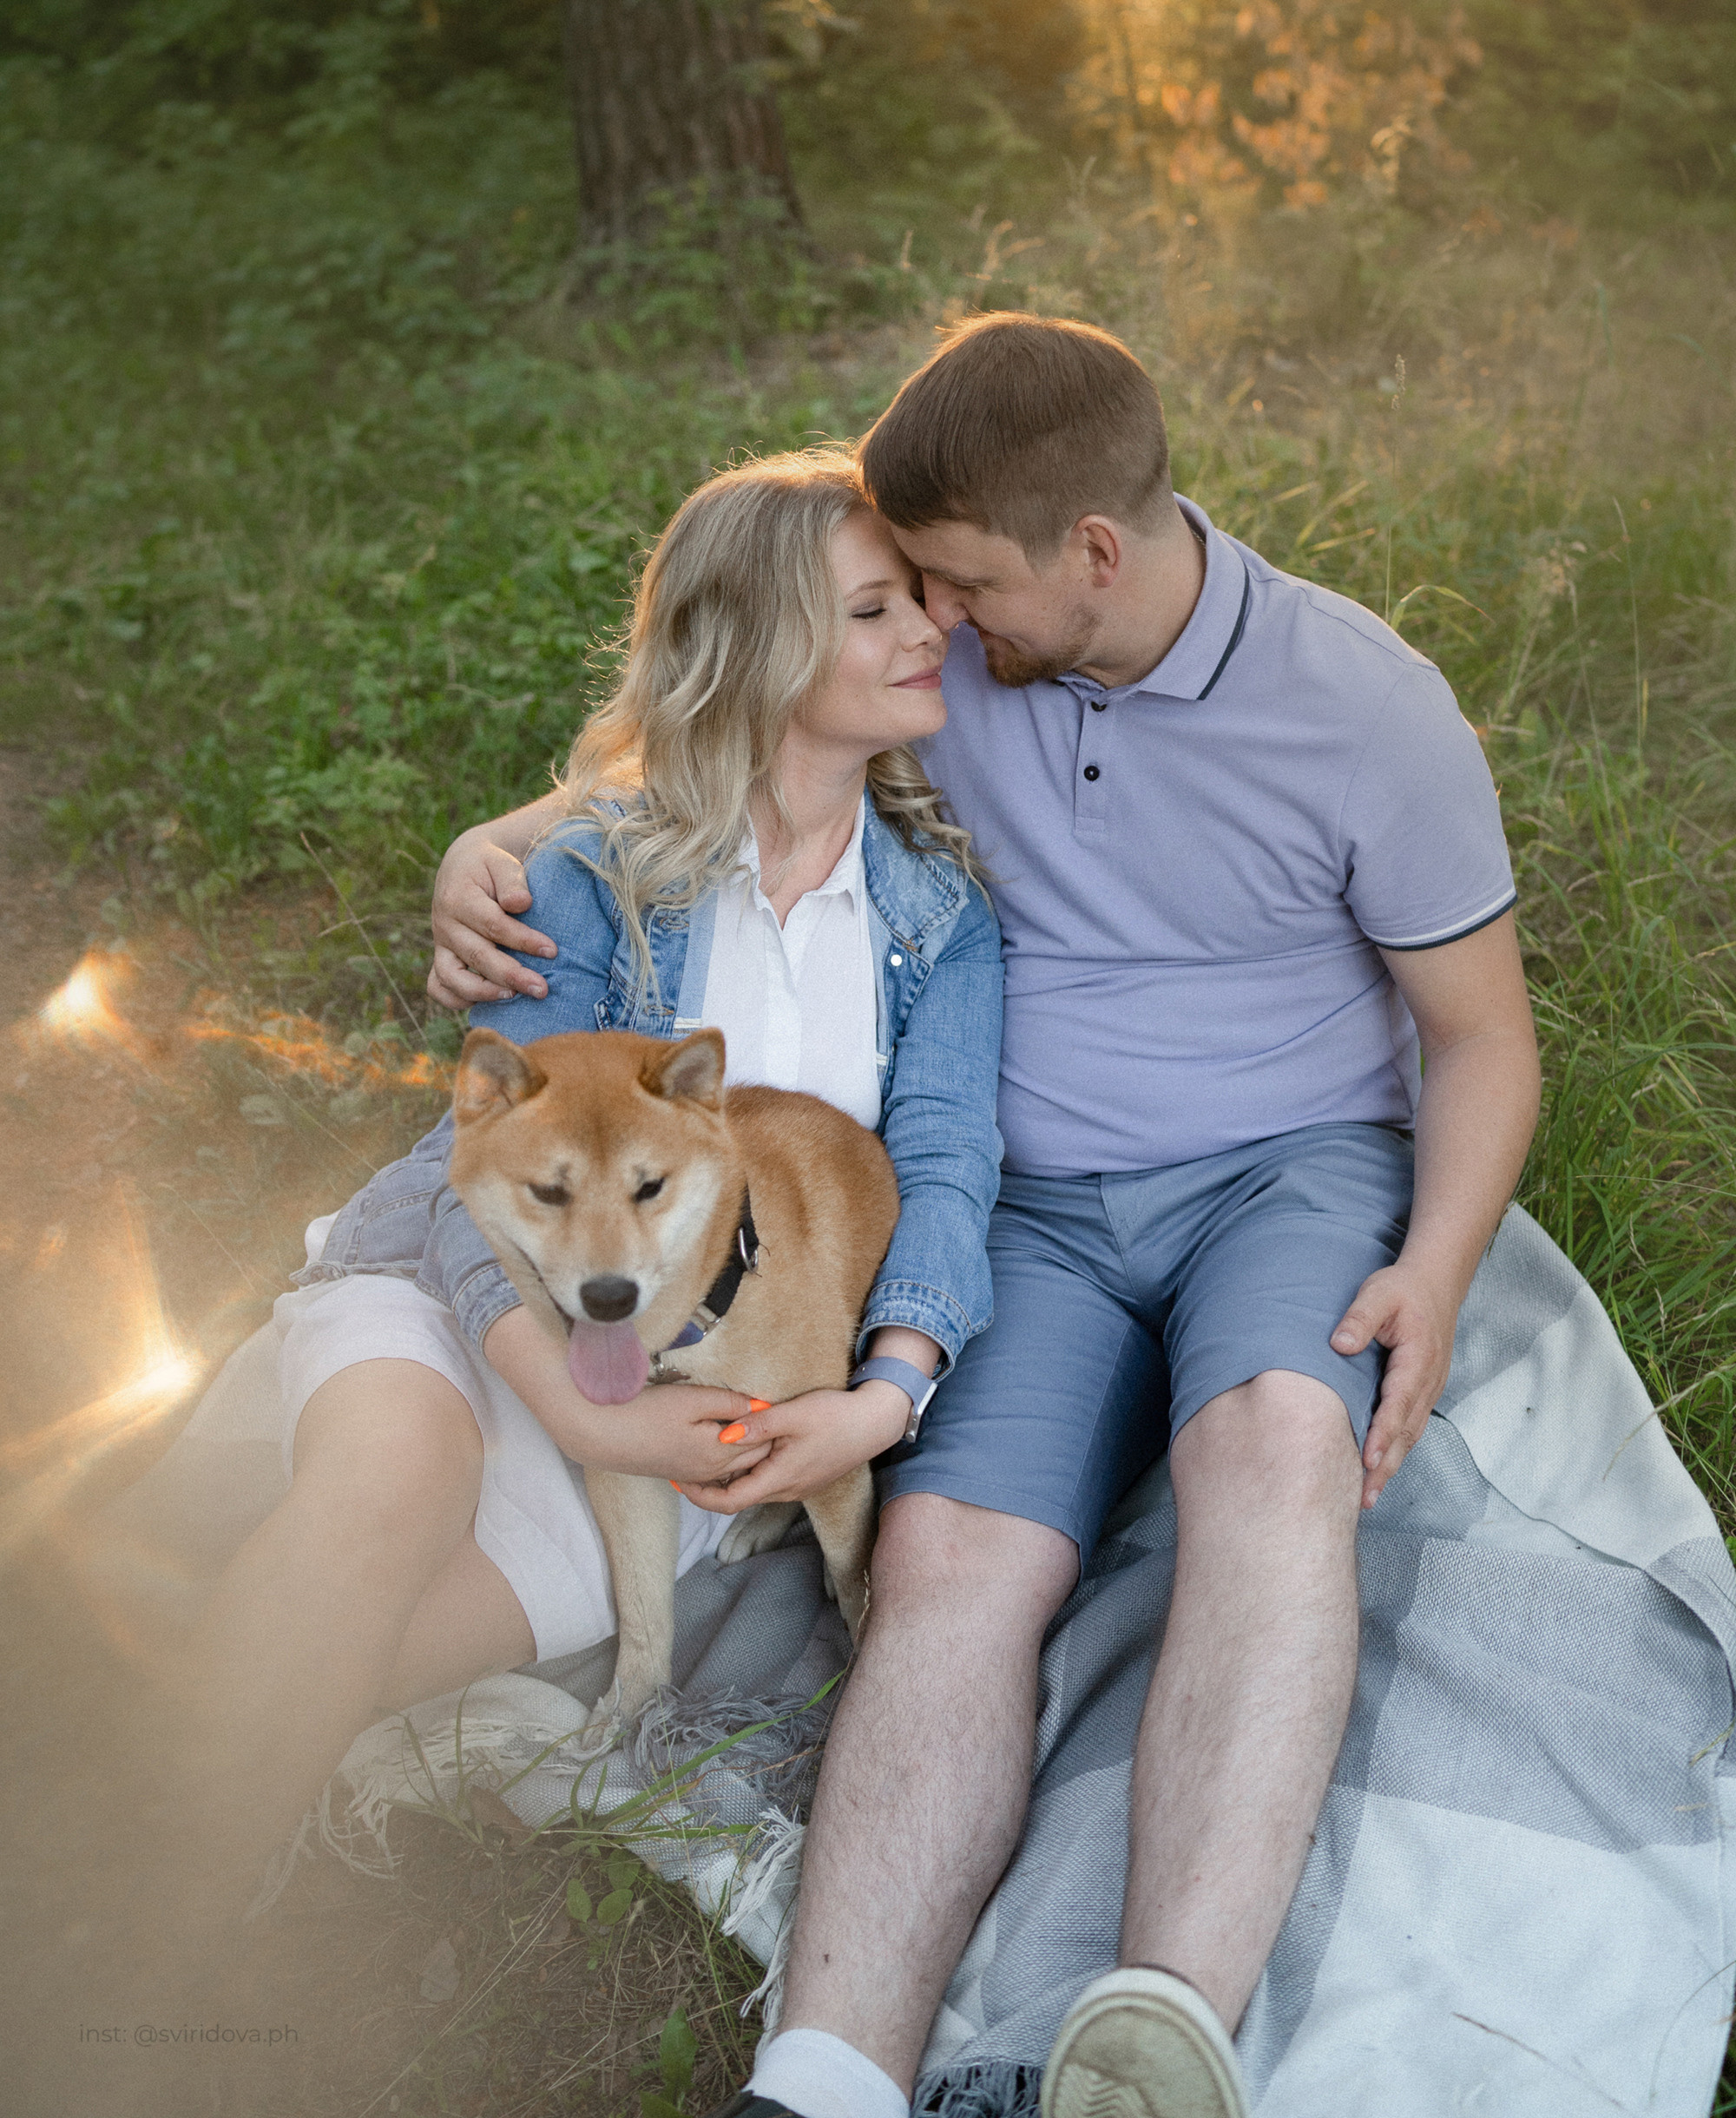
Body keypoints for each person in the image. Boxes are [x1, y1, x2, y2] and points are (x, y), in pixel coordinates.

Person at [431, 316, 1542, 2118]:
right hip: (1021, 1206)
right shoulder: (960, 682)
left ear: (1090, 555)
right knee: (948, 1561)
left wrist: (1433, 1263)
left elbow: (1481, 1035)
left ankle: (1158, 2029)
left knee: (1268, 1452)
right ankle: (822, 2075)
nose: (933, 624)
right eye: (907, 594)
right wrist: (483, 843)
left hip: (1288, 1168)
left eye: (955, 585)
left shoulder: (1366, 708)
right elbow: (700, 744)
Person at [169, 449, 1003, 1937]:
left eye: (919, 604)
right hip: (471, 1294)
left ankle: (133, 1722)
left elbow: (946, 1169)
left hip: (684, 1370)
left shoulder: (936, 919)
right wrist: (565, 1403)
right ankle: (156, 1932)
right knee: (393, 1481)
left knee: (383, 1643)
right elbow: (472, 1174)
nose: (924, 632)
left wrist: (888, 1386)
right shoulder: (601, 868)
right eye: (875, 611)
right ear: (759, 649)